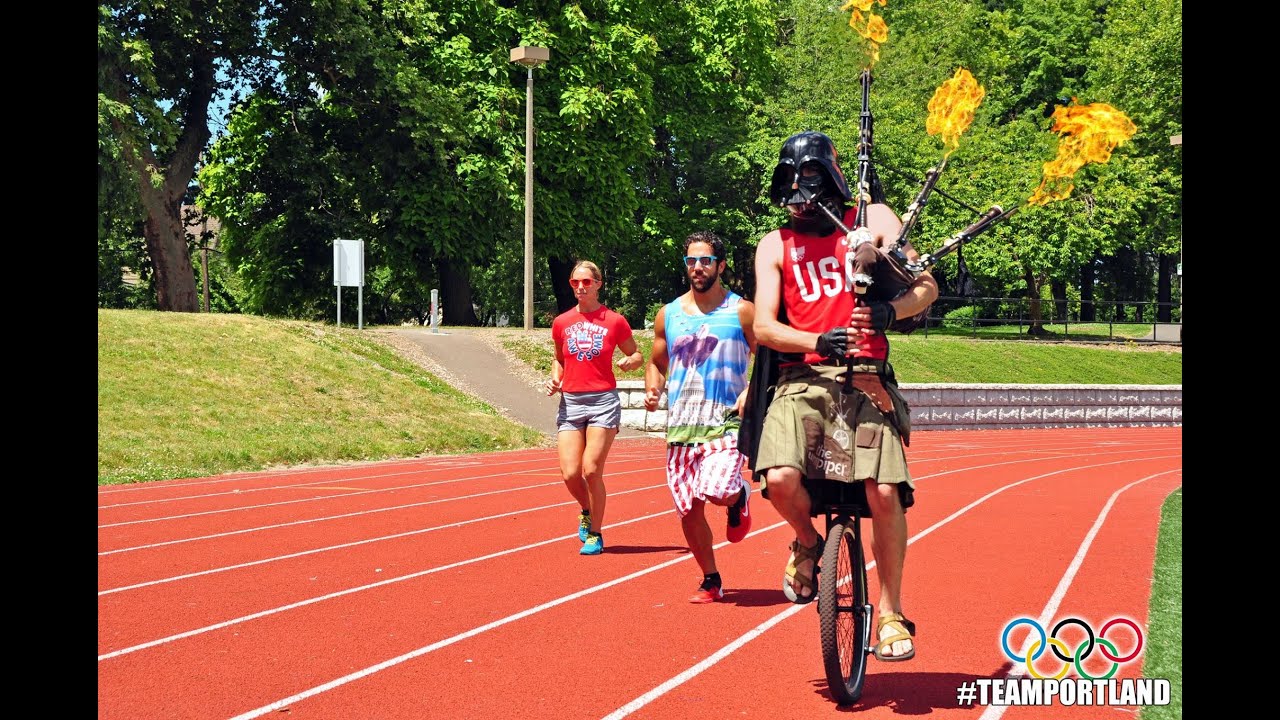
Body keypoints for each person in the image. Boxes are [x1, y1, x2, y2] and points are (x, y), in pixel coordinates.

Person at [749, 131, 938, 661]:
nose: (799, 203)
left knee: (885, 492)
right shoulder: (774, 244)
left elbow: (926, 287)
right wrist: (815, 340)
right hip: (803, 379)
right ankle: (808, 542)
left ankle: (892, 611)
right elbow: (763, 326)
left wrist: (889, 310)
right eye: (790, 194)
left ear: (832, 182)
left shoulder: (871, 218)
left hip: (867, 379)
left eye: (808, 190)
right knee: (779, 479)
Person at [643, 231, 757, 604]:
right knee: (689, 509)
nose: (697, 267)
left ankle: (738, 497)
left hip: (725, 421)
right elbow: (656, 362)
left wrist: (751, 390)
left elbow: (769, 357)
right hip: (681, 426)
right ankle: (711, 579)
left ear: (720, 266)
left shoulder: (741, 310)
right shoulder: (669, 314)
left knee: (718, 489)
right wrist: (653, 387)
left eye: (705, 260)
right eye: (691, 261)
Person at [546, 260, 644, 556]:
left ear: (598, 284)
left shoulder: (614, 321)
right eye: (575, 282)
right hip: (571, 403)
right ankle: (587, 509)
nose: (580, 287)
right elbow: (559, 359)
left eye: (586, 282)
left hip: (603, 402)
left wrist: (630, 362)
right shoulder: (561, 322)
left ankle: (596, 533)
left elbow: (637, 354)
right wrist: (555, 377)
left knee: (591, 469)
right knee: (570, 473)